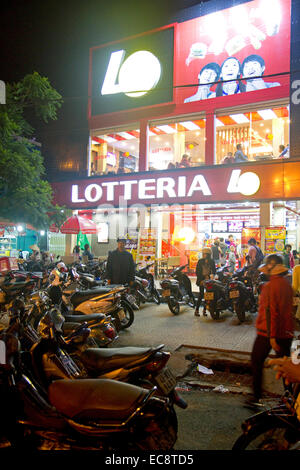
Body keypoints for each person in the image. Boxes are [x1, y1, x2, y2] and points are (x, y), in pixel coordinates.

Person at [245, 254, 294, 409]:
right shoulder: (287, 285)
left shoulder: (269, 287)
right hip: (286, 332)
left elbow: (270, 312)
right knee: (287, 368)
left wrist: (272, 336)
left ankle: (256, 396)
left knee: (256, 361)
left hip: (268, 333)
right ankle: (291, 399)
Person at [194, 247, 216, 317]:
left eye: (205, 254)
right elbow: (197, 271)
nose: (203, 255)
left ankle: (205, 310)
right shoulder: (200, 261)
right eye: (203, 254)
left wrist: (211, 276)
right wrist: (202, 278)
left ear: (208, 254)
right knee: (201, 295)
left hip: (209, 280)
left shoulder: (212, 261)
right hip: (201, 280)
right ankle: (197, 310)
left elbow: (214, 270)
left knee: (208, 295)